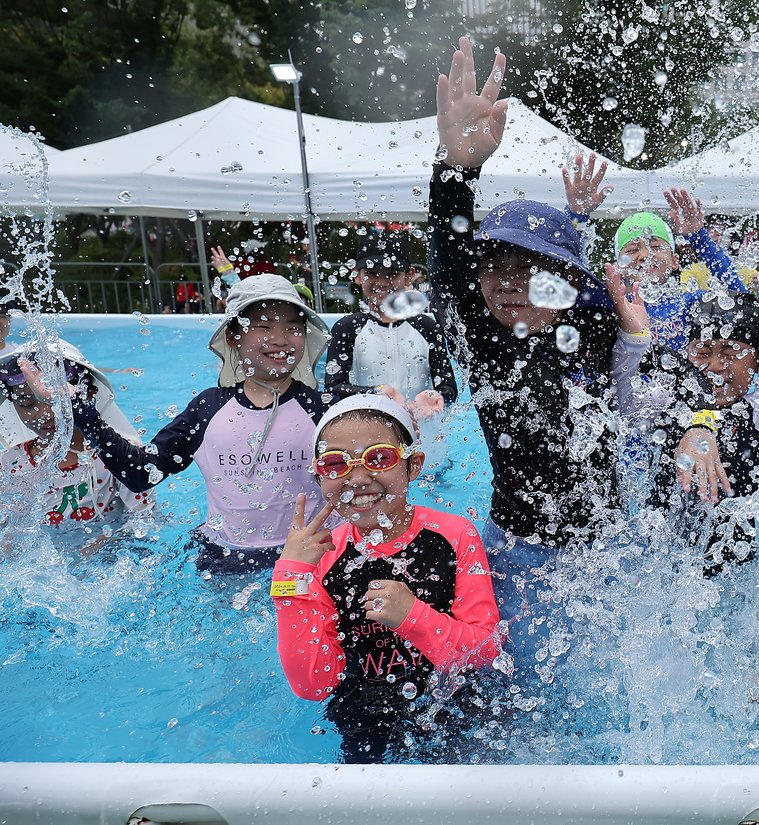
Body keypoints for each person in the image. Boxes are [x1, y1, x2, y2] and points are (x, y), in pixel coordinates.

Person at [426, 37, 650, 669]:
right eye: (495, 266)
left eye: (529, 270)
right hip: (520, 547)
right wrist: (456, 168)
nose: (506, 282)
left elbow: (681, 388)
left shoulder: (599, 325)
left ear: (565, 283)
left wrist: (640, 339)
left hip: (612, 545)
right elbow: (448, 258)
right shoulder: (486, 341)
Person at [272, 395, 500, 764]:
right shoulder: (317, 557)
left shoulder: (455, 535)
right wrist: (289, 578)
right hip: (365, 712)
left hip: (455, 700)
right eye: (336, 464)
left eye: (379, 458)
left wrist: (412, 616)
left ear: (413, 466)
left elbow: (485, 652)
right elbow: (313, 684)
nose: (358, 478)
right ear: (319, 476)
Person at [61, 274, 331, 573]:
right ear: (233, 337)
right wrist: (82, 412)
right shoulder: (208, 408)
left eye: (293, 328)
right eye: (263, 326)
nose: (280, 339)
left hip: (309, 555)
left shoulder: (324, 410)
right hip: (226, 555)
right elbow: (140, 474)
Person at [639, 172, 759, 576]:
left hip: (735, 593)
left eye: (731, 352)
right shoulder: (667, 397)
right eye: (704, 352)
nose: (714, 367)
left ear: (757, 359)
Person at [1, 342, 153, 536]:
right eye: (27, 404)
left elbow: (147, 523)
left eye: (55, 400)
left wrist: (108, 542)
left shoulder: (118, 456)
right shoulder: (8, 465)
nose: (44, 414)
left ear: (88, 394)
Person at [326, 233, 458, 417]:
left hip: (424, 436)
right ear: (356, 275)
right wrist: (376, 392)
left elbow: (449, 387)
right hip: (369, 433)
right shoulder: (347, 329)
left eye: (392, 274)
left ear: (408, 276)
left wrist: (435, 395)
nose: (381, 282)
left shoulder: (428, 328)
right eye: (371, 273)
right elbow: (334, 388)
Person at [608, 190, 746, 352]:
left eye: (655, 247)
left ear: (674, 261)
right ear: (618, 267)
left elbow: (742, 301)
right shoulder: (611, 307)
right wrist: (578, 219)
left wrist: (699, 237)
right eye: (632, 250)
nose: (645, 255)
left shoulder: (688, 304)